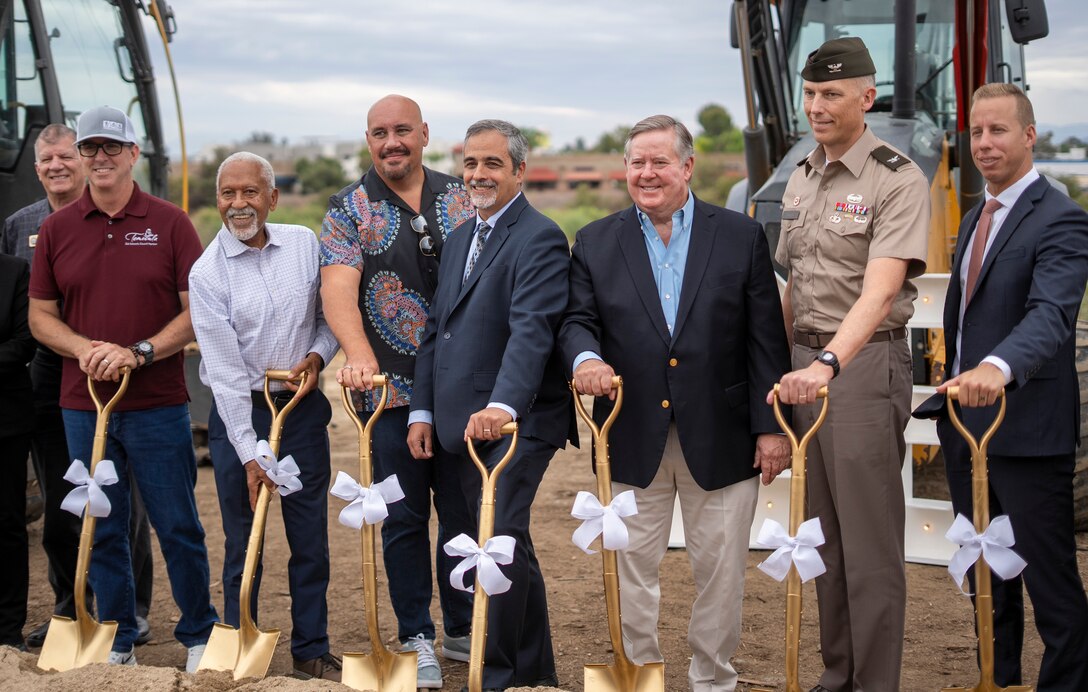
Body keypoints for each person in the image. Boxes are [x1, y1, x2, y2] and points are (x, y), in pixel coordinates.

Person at [560, 115, 791, 691]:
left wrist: (772, 429)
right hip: (631, 431)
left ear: (687, 167)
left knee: (720, 572)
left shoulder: (739, 235)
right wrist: (585, 359)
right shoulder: (594, 240)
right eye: (637, 162)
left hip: (724, 431)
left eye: (659, 161)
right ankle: (638, 676)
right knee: (630, 568)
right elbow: (577, 320)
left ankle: (713, 680)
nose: (647, 173)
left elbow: (765, 338)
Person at [27, 105, 218, 671]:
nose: (99, 158)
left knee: (176, 522)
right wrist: (84, 348)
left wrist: (138, 352)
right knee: (101, 520)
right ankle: (118, 636)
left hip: (157, 404)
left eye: (111, 147)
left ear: (133, 154)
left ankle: (199, 633)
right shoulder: (58, 229)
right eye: (90, 148)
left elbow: (196, 313)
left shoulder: (170, 222)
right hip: (83, 406)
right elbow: (41, 315)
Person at [770, 37, 930, 692]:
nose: (817, 105)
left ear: (867, 97)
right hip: (804, 364)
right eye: (810, 93)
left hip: (858, 367)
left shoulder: (897, 177)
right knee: (825, 540)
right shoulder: (802, 176)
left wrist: (829, 363)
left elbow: (881, 290)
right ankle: (839, 675)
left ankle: (875, 684)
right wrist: (777, 374)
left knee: (868, 548)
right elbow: (791, 283)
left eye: (831, 93)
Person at [916, 83, 1088, 691]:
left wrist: (997, 366)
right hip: (967, 431)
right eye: (976, 133)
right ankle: (999, 677)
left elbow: (1050, 315)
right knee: (987, 572)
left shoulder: (1063, 219)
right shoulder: (973, 219)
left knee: (1050, 581)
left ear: (1029, 136)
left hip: (1027, 428)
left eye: (998, 131)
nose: (984, 144)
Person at [408, 119, 574, 691]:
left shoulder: (540, 237)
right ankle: (534, 674)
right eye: (471, 164)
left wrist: (503, 406)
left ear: (520, 171)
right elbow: (437, 330)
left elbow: (532, 333)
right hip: (457, 420)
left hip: (516, 420)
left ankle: (499, 677)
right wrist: (422, 411)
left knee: (496, 537)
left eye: (493, 164)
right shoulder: (460, 236)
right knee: (505, 542)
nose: (479, 174)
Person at [319, 94, 476, 688]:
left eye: (402, 130)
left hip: (463, 389)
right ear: (368, 141)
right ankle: (417, 633)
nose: (392, 142)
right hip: (388, 392)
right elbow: (338, 287)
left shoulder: (463, 195)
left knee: (463, 510)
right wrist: (357, 355)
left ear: (425, 134)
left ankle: (462, 625)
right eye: (380, 132)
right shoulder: (347, 208)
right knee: (405, 517)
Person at [1, 123, 154, 649]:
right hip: (50, 375)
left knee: (119, 493)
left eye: (66, 156)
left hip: (113, 370)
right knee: (67, 499)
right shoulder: (19, 225)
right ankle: (71, 610)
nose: (56, 166)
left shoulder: (107, 217)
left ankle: (131, 608)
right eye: (47, 159)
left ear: (85, 161)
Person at [189, 152, 342, 680]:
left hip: (299, 409)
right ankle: (240, 641)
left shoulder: (302, 243)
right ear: (218, 200)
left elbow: (328, 317)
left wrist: (318, 356)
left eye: (250, 192)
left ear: (272, 198)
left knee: (310, 539)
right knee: (242, 541)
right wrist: (249, 451)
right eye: (228, 194)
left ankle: (311, 649)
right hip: (244, 413)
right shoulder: (206, 274)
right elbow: (227, 376)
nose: (239, 204)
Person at [0, 254, 35, 650]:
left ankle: (7, 629)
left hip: (5, 423)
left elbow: (25, 342)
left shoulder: (13, 271)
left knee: (6, 524)